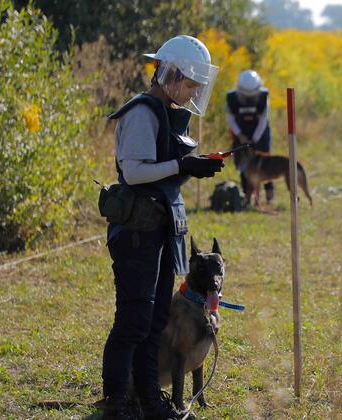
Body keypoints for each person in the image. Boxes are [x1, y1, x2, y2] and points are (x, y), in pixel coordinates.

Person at [101, 35, 223, 419]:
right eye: (189, 85)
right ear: (168, 74)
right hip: (137, 232)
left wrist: (195, 164)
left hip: (160, 230)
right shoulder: (142, 112)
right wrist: (182, 166)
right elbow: (135, 172)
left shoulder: (167, 110)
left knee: (154, 321)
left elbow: (165, 172)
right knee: (134, 320)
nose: (192, 94)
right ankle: (117, 401)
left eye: (197, 88)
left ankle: (149, 399)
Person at [226, 70, 274, 203]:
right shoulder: (231, 98)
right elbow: (230, 119)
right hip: (240, 131)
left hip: (260, 132)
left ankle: (269, 193)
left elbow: (263, 120)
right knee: (243, 165)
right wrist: (240, 135)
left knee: (265, 162)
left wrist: (255, 139)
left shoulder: (264, 96)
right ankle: (247, 195)